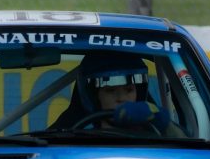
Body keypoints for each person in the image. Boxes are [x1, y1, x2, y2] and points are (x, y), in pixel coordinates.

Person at [50, 53, 181, 136]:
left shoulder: (158, 137)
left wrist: (161, 121)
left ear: (139, 93)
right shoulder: (67, 140)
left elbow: (189, 145)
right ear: (94, 96)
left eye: (129, 90)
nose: (121, 98)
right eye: (110, 90)